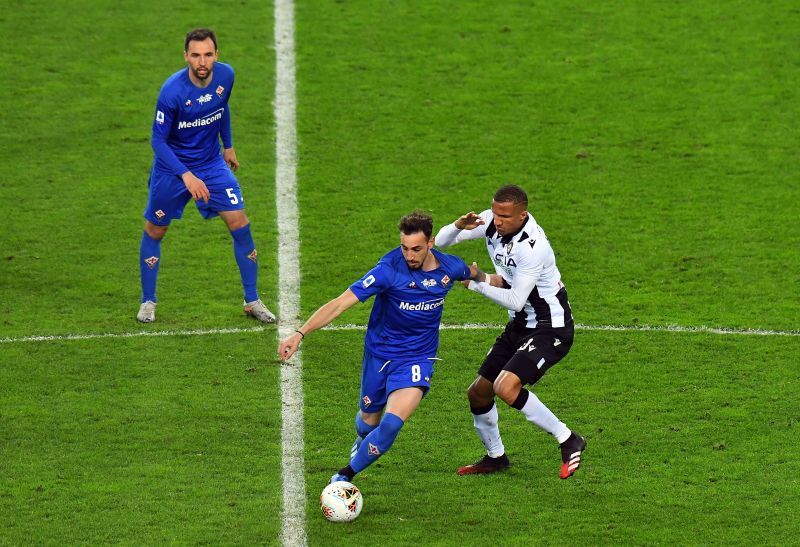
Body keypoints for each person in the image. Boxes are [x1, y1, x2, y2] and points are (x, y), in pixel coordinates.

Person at [279, 211, 480, 484]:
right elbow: (340, 303)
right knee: (368, 421)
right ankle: (362, 439)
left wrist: (502, 283)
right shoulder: (387, 270)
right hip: (380, 354)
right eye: (405, 248)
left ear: (431, 243)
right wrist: (300, 333)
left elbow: (473, 273)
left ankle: (344, 475)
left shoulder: (449, 267)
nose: (409, 255)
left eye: (417, 249)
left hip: (417, 358)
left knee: (391, 424)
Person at [435, 184, 586, 479]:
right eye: (494, 213)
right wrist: (457, 226)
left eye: (504, 216)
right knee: (478, 393)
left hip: (549, 327)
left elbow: (517, 299)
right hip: (521, 324)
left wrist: (477, 284)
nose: (497, 220)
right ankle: (496, 458)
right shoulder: (491, 222)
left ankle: (568, 438)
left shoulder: (533, 247)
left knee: (505, 387)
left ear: (522, 216)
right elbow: (441, 242)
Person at [136, 28, 275, 324]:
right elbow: (158, 142)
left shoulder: (226, 77)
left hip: (211, 164)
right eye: (196, 55)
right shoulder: (171, 92)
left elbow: (221, 109)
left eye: (208, 54)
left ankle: (252, 300)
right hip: (173, 169)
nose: (202, 61)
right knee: (155, 231)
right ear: (186, 56)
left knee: (240, 223)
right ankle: (148, 301)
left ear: (216, 55)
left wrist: (229, 145)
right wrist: (186, 176)